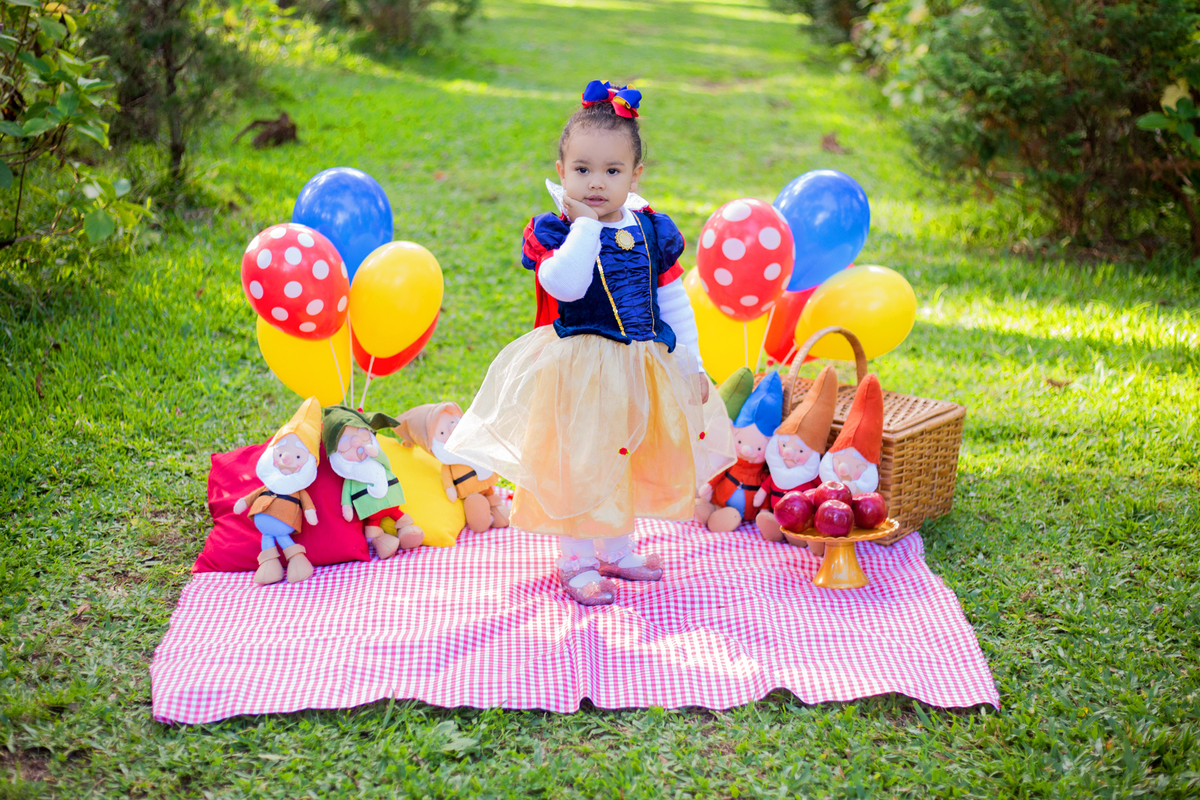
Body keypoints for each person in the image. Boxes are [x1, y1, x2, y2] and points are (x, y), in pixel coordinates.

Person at [447, 80, 734, 606]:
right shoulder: (558, 231)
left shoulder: (651, 230)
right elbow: (566, 285)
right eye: (582, 170)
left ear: (635, 175)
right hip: (580, 368)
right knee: (582, 461)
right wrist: (584, 228)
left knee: (624, 457)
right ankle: (576, 557)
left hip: (638, 366)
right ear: (561, 171)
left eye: (611, 171)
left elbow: (672, 301)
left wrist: (690, 363)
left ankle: (618, 549)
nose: (595, 184)